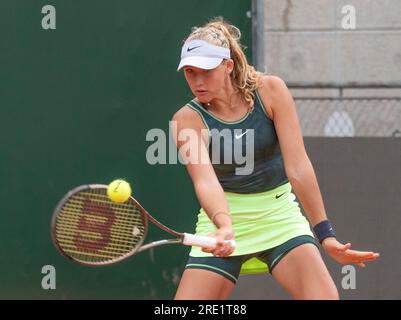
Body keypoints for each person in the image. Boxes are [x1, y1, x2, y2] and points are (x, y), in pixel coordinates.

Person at [171, 17, 379, 300]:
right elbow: (205, 182)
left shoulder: (271, 91)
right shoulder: (186, 120)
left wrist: (326, 235)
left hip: (279, 216)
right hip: (222, 220)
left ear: (228, 66)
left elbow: (298, 167)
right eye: (190, 72)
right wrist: (224, 225)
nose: (197, 81)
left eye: (206, 71)